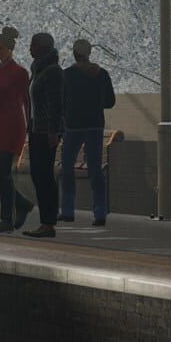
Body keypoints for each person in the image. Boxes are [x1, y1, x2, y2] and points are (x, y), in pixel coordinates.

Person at [59, 38, 118, 226]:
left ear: (75, 54)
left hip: (73, 126)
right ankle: (100, 212)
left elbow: (60, 102)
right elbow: (110, 102)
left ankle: (68, 211)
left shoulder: (66, 75)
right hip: (94, 125)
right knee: (95, 170)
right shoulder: (101, 74)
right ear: (90, 53)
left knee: (67, 168)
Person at [0, 28, 32, 233]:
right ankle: (22, 204)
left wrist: (30, 125)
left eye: (0, 48)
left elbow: (27, 101)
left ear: (10, 49)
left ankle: (6, 218)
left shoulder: (20, 73)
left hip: (11, 125)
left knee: (3, 173)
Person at [24, 31, 65, 238]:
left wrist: (53, 132)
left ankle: (48, 223)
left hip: (45, 132)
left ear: (43, 47)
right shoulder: (39, 70)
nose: (29, 48)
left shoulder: (52, 72)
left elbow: (55, 104)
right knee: (38, 175)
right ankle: (46, 221)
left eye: (33, 45)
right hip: (35, 129)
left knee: (44, 176)